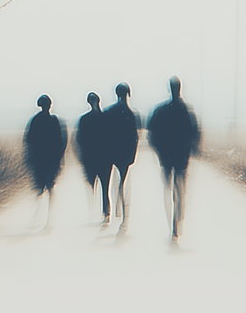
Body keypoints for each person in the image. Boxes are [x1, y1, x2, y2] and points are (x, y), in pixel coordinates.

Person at [147, 76, 201, 241]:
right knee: (180, 189)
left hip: (166, 156)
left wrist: (158, 150)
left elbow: (152, 133)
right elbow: (194, 132)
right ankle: (177, 219)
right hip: (181, 155)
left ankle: (172, 221)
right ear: (180, 88)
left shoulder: (161, 110)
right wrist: (195, 148)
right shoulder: (186, 109)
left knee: (168, 188)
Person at [24, 95, 67, 224]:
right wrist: (60, 158)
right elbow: (61, 142)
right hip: (51, 159)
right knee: (50, 186)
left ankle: (40, 212)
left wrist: (31, 157)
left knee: (40, 187)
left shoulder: (35, 120)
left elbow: (28, 140)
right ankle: (49, 215)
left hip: (39, 159)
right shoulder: (55, 120)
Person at [104, 82, 140, 230]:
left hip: (112, 151)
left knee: (113, 180)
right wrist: (133, 154)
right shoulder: (131, 113)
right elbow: (135, 136)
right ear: (128, 94)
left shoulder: (108, 111)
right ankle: (123, 212)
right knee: (123, 182)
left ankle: (114, 209)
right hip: (125, 153)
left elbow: (104, 135)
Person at [76, 92, 112, 222]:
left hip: (91, 157)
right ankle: (105, 212)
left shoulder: (84, 119)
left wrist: (81, 155)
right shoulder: (106, 118)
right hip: (104, 157)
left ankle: (94, 210)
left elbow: (79, 139)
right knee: (105, 186)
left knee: (93, 185)